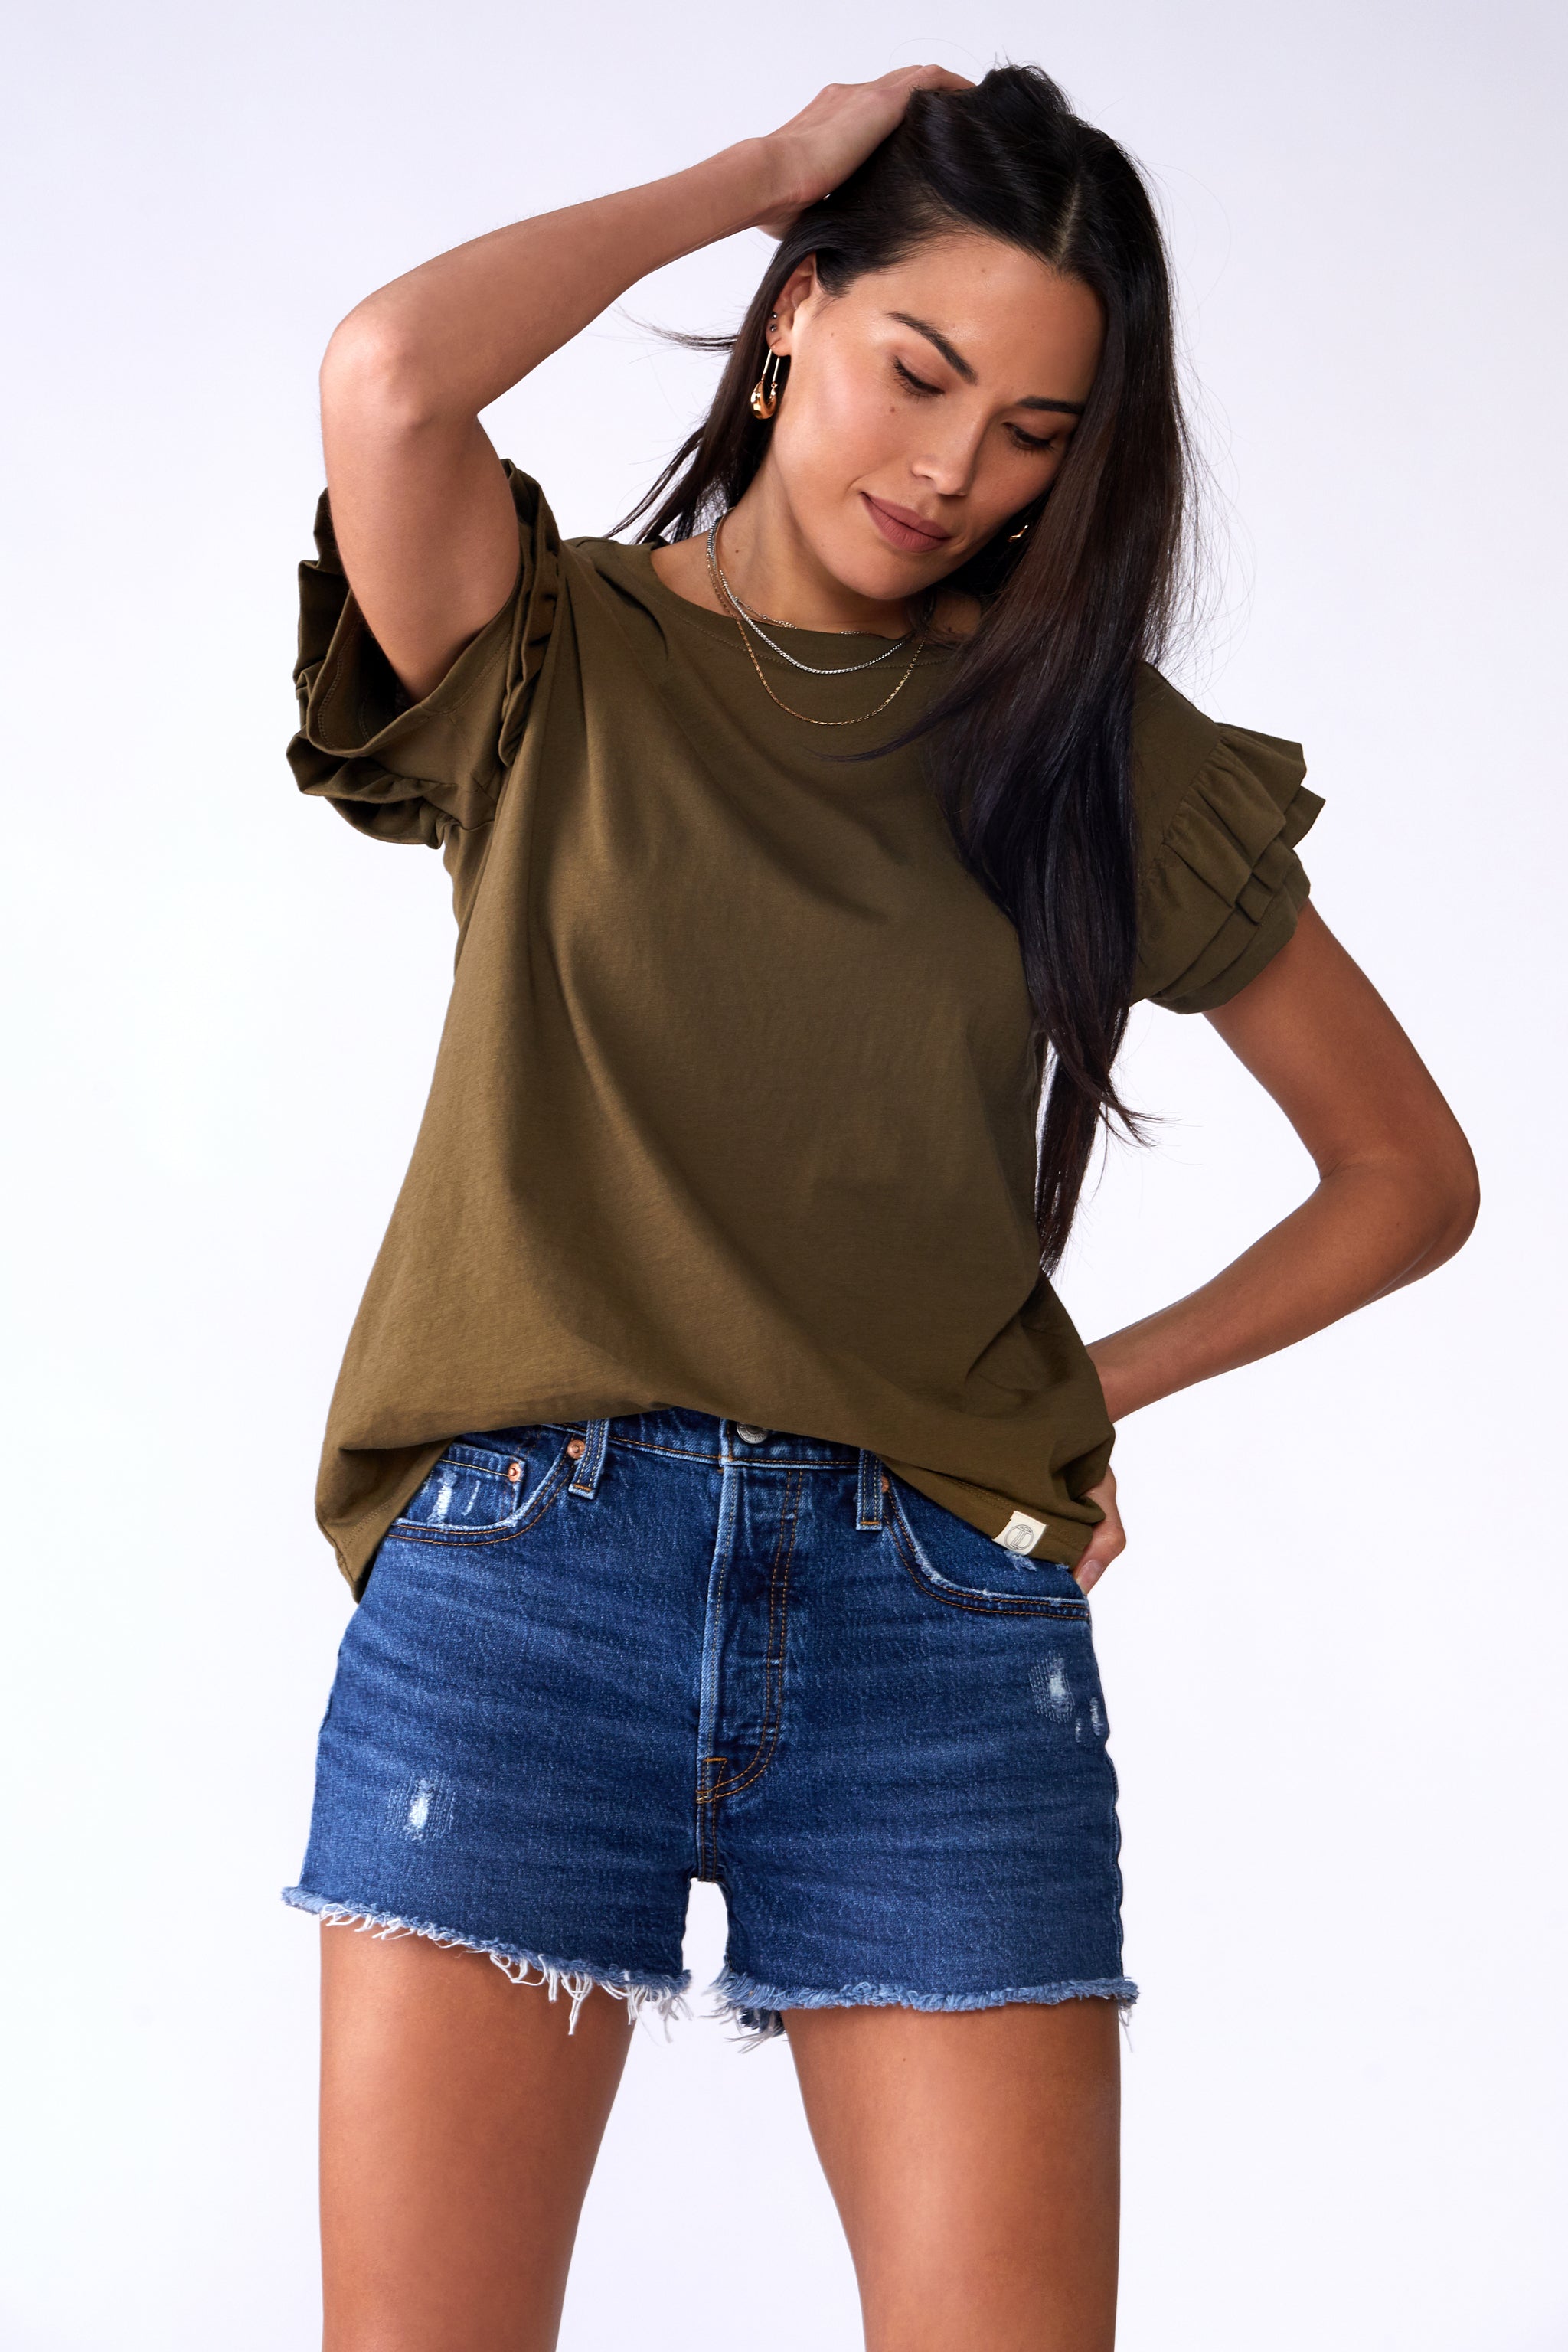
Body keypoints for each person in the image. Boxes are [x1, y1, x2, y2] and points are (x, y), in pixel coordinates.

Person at [279, 63, 1478, 2352]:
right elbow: (391, 374)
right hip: (528, 1581)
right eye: (919, 373)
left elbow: (1409, 1176)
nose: (953, 471)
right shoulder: (552, 651)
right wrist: (760, 173)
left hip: (934, 1624)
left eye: (1034, 434)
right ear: (793, 315)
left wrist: (1074, 1391)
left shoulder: (1080, 746)